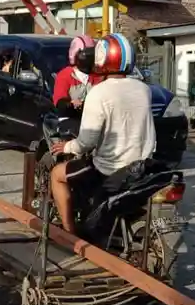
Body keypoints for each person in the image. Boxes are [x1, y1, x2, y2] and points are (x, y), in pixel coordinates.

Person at [49, 33, 156, 236]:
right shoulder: (144, 89)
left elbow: (86, 143)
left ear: (101, 58)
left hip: (109, 169)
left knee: (57, 175)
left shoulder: (99, 93)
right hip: (142, 165)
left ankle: (70, 234)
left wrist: (67, 147)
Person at [52, 35, 102, 116]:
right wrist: (70, 104)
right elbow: (59, 101)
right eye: (87, 56)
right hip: (71, 119)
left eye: (92, 56)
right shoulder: (65, 75)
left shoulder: (97, 75)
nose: (90, 60)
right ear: (76, 55)